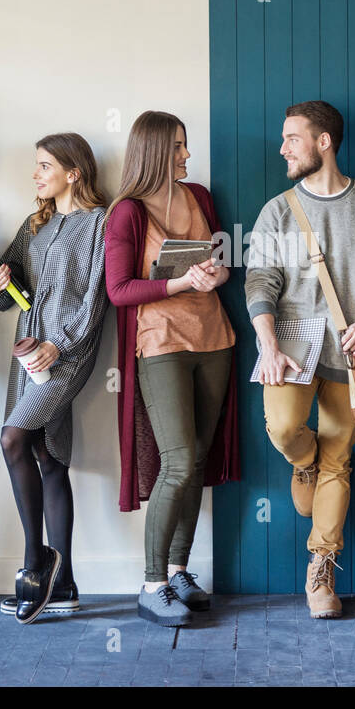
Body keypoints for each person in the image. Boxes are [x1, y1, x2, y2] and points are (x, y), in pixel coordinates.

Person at [246, 100, 355, 619]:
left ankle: (320, 570)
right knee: (284, 428)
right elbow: (261, 282)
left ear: (324, 142)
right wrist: (268, 347)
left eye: (293, 138)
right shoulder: (278, 209)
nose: (284, 147)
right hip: (291, 350)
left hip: (353, 355)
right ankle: (302, 459)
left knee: (340, 458)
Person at [104, 111, 239, 627]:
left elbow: (222, 261)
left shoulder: (200, 197)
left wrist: (214, 274)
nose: (187, 154)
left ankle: (179, 572)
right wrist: (182, 285)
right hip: (160, 342)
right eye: (179, 146)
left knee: (198, 460)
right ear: (155, 150)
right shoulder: (127, 214)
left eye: (185, 145)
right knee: (178, 462)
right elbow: (119, 291)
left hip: (214, 338)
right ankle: (152, 583)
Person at [0, 133, 109, 624]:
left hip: (69, 353)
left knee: (12, 438)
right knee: (46, 454)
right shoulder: (35, 223)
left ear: (73, 172)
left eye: (44, 165)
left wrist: (63, 343)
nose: (35, 175)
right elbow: (8, 292)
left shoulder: (101, 221)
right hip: (29, 350)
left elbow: (97, 296)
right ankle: (67, 584)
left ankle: (37, 563)